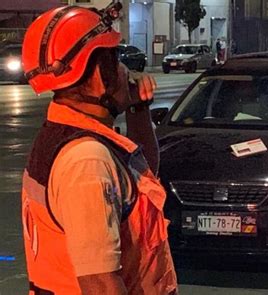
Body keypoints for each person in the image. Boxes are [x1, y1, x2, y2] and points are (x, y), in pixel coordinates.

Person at [21, 3, 177, 294]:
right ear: (97, 77)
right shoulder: (86, 161)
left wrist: (138, 109)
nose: (125, 70)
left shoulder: (64, 133)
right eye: (116, 60)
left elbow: (143, 176)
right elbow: (100, 283)